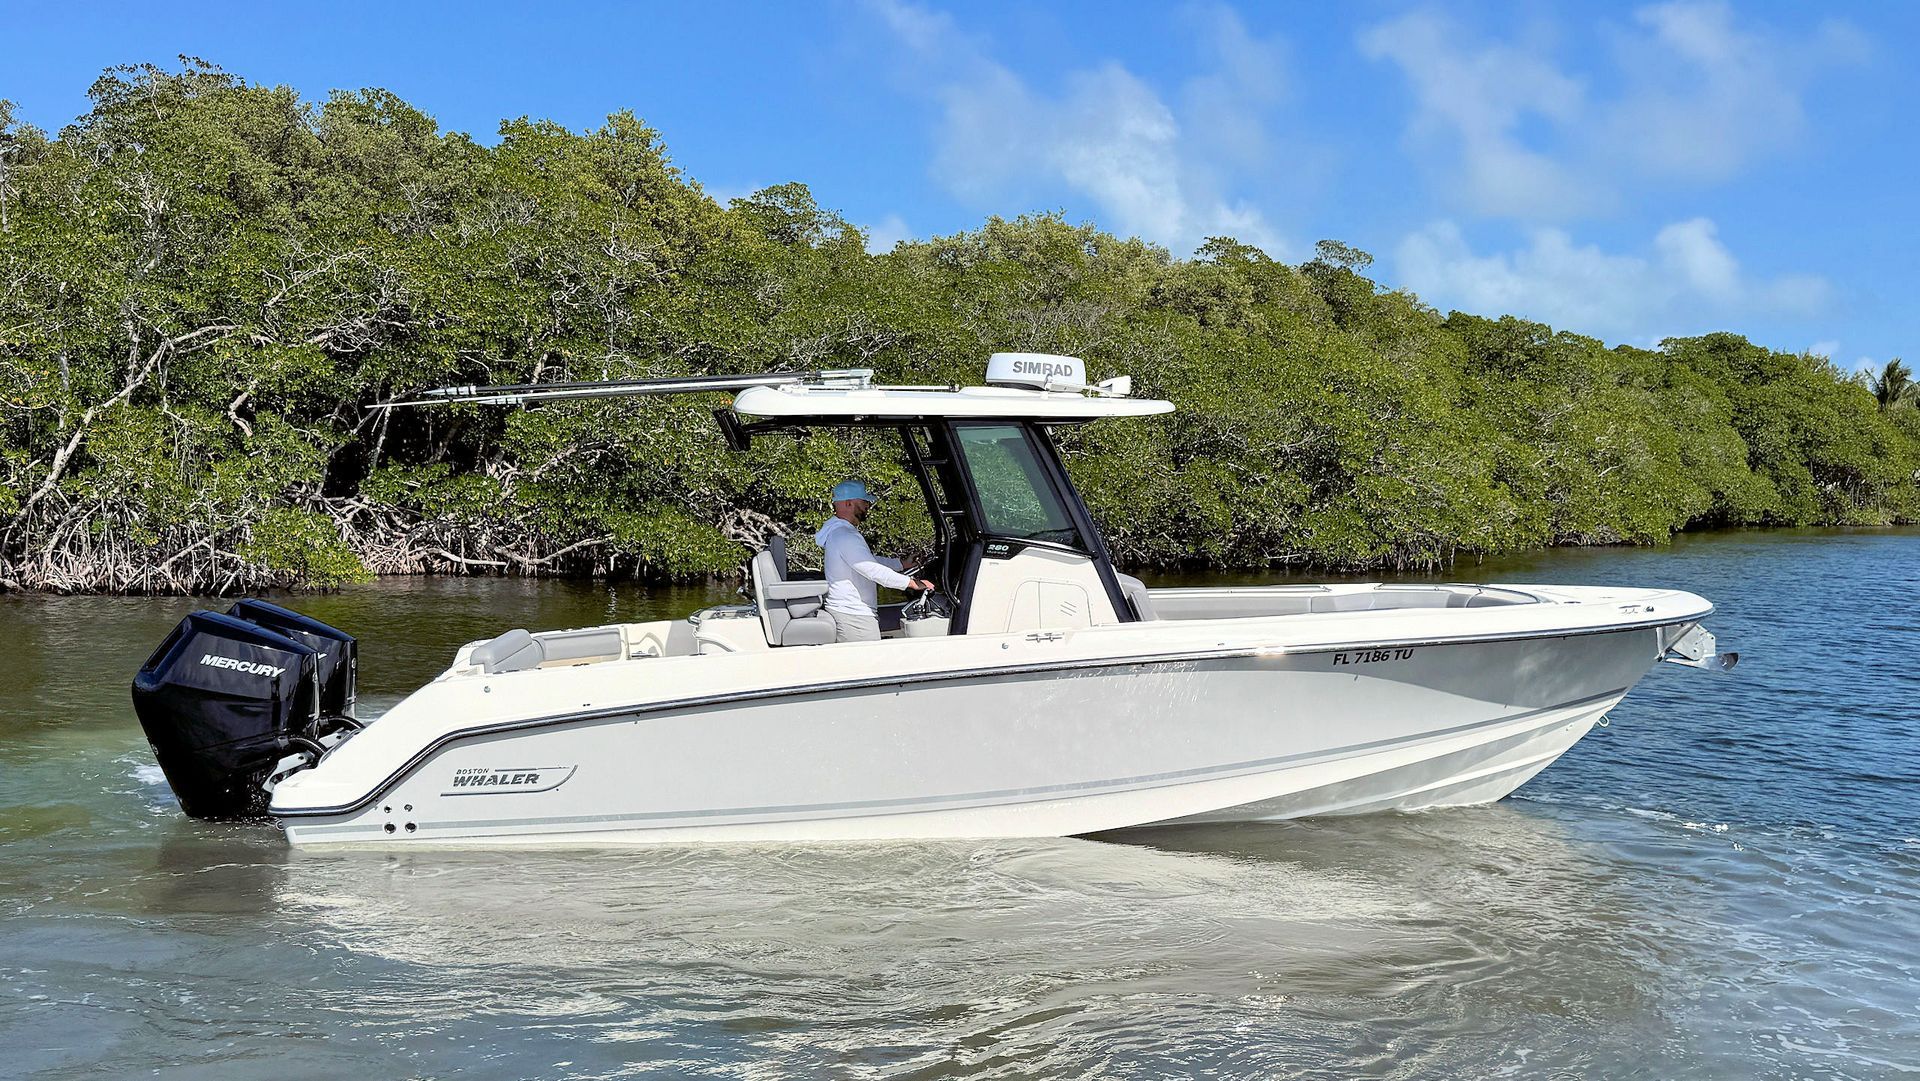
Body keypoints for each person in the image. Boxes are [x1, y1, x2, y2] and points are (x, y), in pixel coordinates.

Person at [813, 480, 935, 643]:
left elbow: (866, 560)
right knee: (868, 666)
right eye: (864, 502)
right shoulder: (844, 535)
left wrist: (901, 564)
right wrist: (912, 583)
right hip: (855, 617)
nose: (868, 506)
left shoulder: (839, 532)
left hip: (852, 614)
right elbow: (871, 569)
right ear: (849, 503)